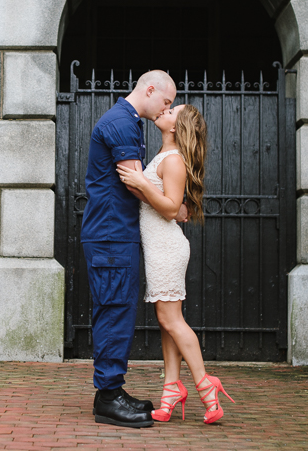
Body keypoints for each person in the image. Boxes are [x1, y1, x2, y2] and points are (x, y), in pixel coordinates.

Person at [81, 70, 187, 428]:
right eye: (167, 102)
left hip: (116, 234)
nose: (166, 109)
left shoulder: (129, 122)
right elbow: (134, 184)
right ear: (151, 89)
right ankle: (108, 398)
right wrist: (172, 207)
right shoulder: (122, 124)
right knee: (114, 310)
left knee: (119, 310)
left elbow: (139, 182)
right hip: (110, 234)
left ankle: (111, 391)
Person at [117, 104, 235, 424]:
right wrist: (140, 185)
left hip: (166, 248)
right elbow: (171, 205)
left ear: (175, 126)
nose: (164, 109)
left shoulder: (173, 160)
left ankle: (205, 387)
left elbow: (170, 210)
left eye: (172, 110)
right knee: (168, 322)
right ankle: (171, 391)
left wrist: (140, 183)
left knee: (171, 321)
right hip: (161, 247)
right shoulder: (166, 154)